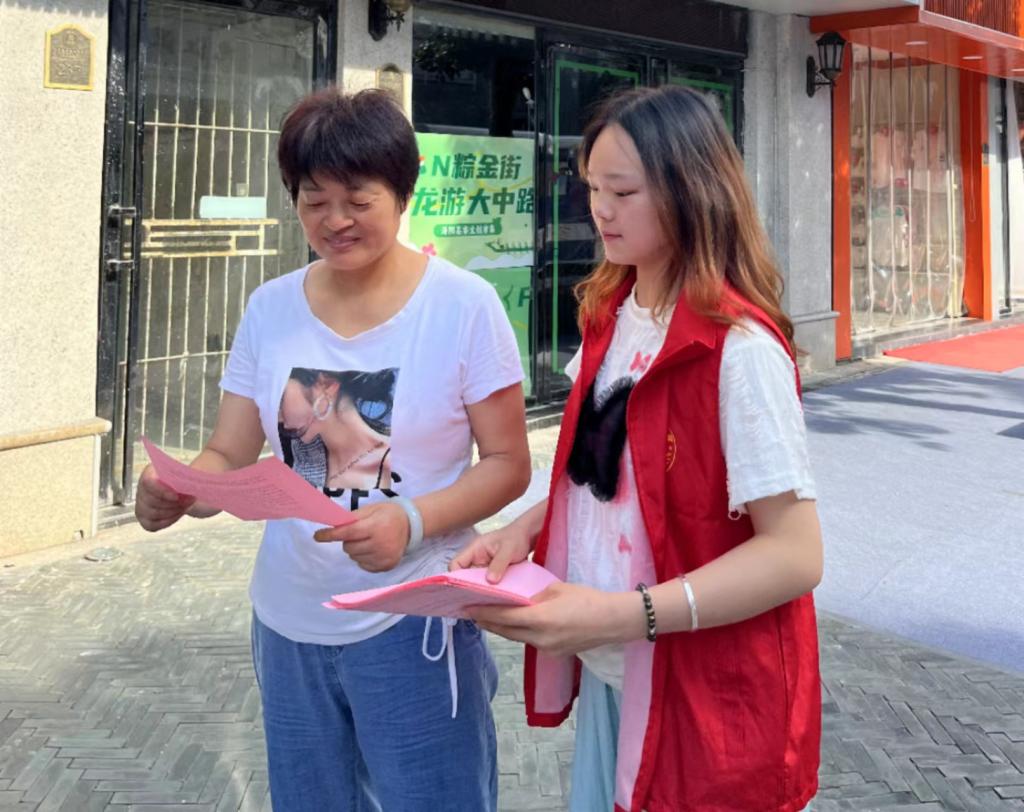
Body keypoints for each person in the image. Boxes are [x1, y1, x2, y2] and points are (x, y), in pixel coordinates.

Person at [135, 87, 531, 811]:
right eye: (314, 200)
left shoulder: (463, 306)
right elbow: (228, 450)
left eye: (358, 199)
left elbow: (509, 465)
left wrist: (411, 520)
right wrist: (184, 489)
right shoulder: (271, 307)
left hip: (411, 619)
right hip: (289, 622)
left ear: (402, 193)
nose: (335, 220)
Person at [453, 85, 823, 812]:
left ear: (692, 190)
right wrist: (522, 532)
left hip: (707, 701)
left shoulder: (739, 350)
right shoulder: (611, 314)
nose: (600, 209)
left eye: (622, 191)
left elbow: (795, 553)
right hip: (621, 675)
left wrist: (620, 615)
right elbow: (607, 482)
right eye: (593, 188)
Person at [279, 367, 397, 491]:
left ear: (327, 384)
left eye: (280, 400)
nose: (278, 417)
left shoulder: (395, 465)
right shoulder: (298, 453)